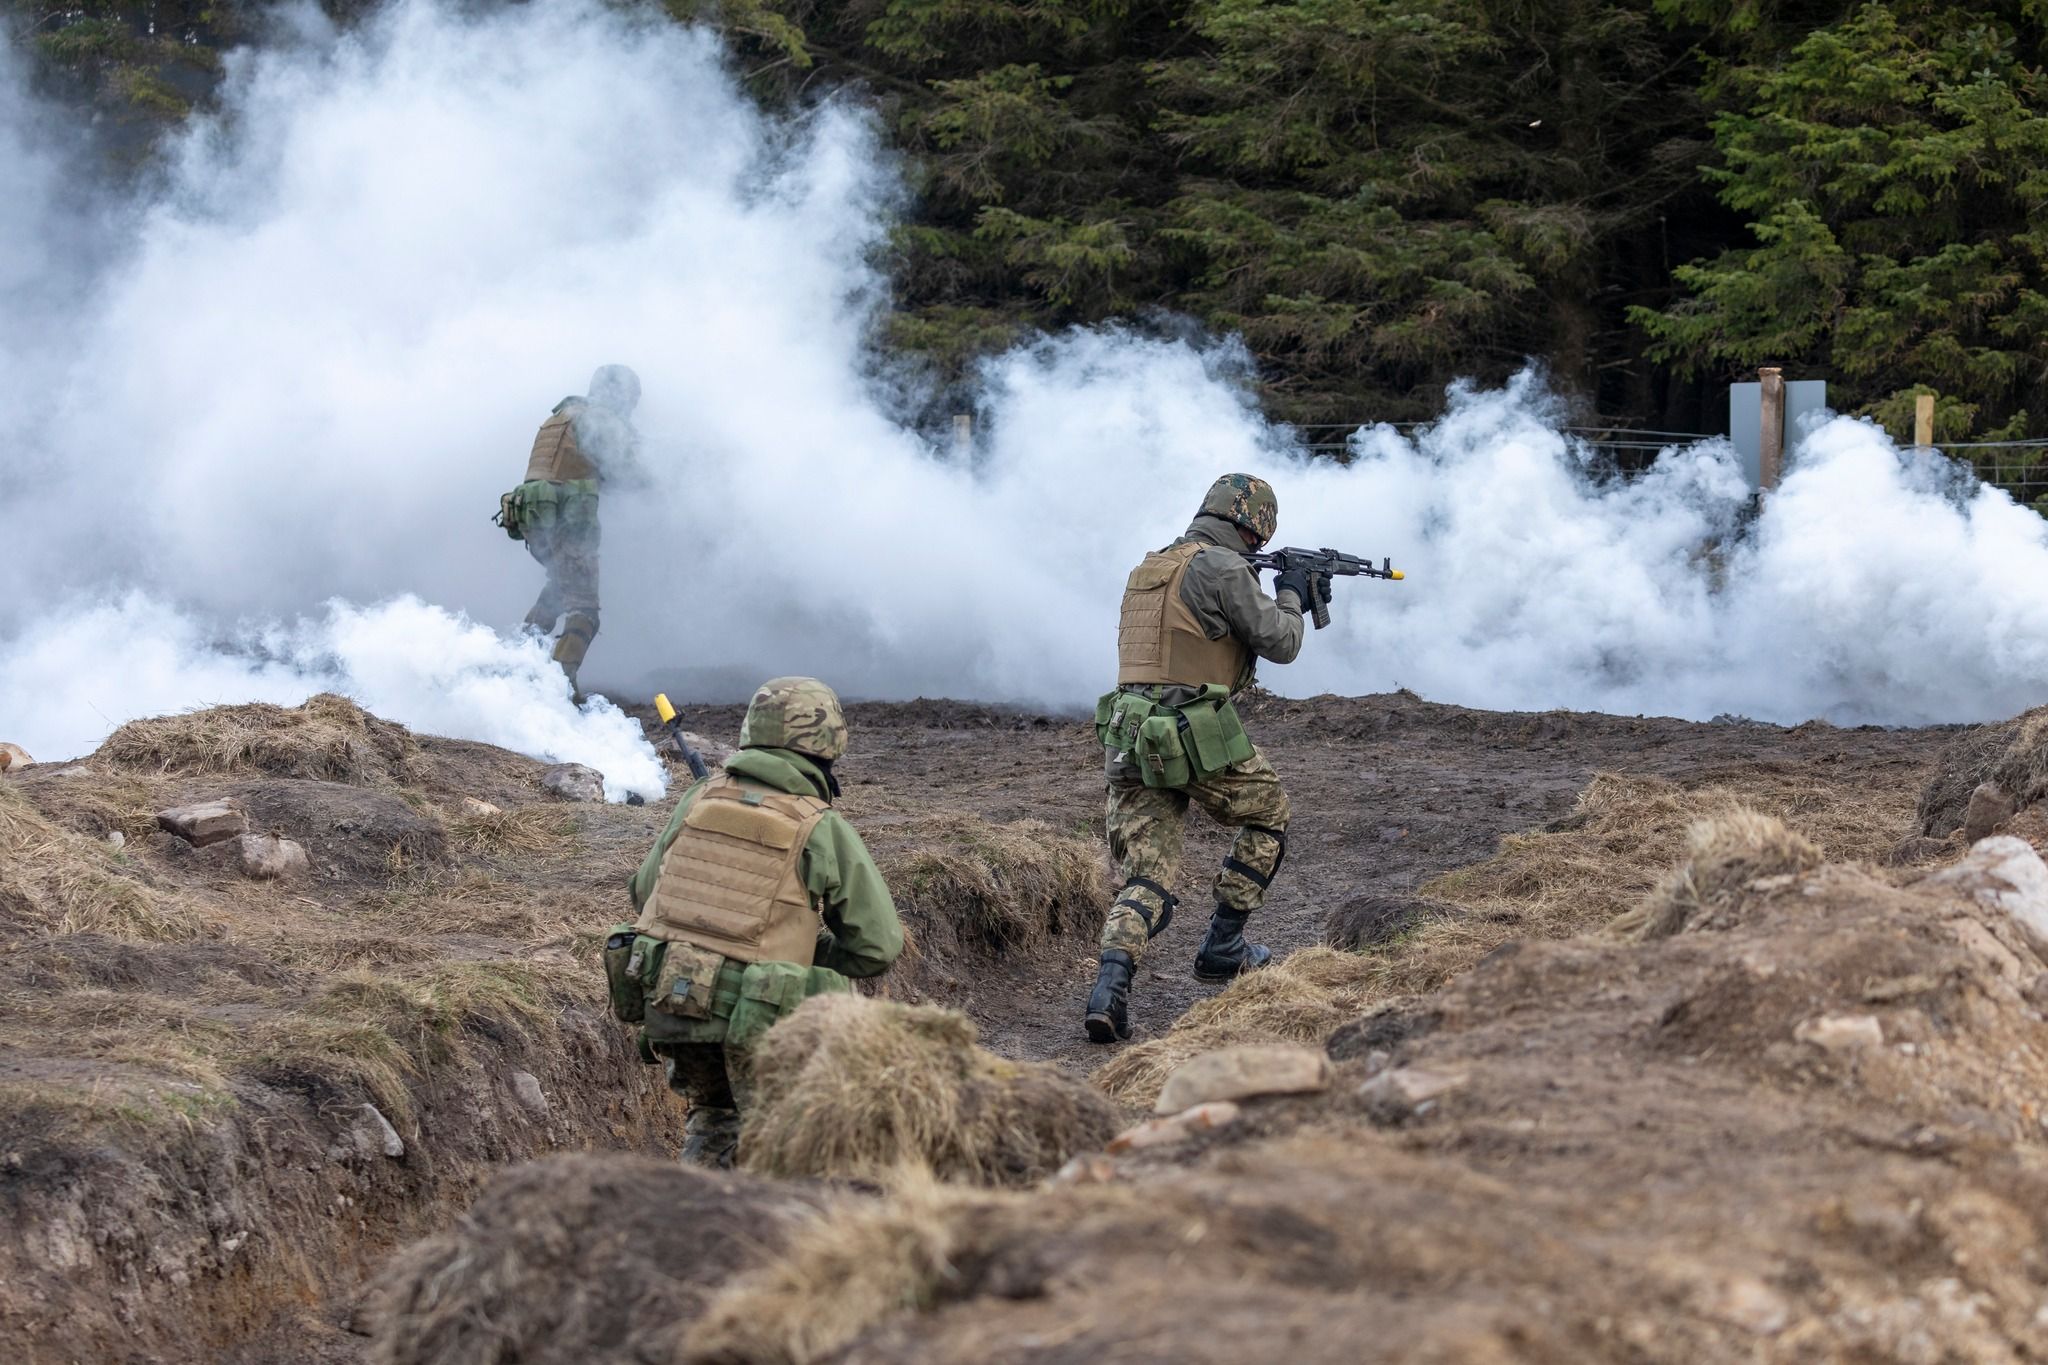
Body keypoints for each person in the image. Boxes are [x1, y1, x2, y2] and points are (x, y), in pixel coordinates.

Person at [612, 676, 904, 1167]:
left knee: (714, 1119)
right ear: (828, 744)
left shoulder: (699, 798)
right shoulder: (819, 824)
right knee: (788, 1141)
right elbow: (877, 945)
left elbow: (644, 892)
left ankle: (690, 1223)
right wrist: (803, 945)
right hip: (761, 1011)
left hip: (675, 999)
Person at [1082, 473, 1326, 1044]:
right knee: (1269, 814)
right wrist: (1291, 592)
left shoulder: (1150, 567)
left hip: (1132, 734)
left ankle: (1108, 991)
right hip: (1195, 732)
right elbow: (1282, 643)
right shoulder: (1224, 568)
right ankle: (1222, 947)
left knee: (1147, 876)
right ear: (1254, 523)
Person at [496, 364, 643, 698]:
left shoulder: (561, 416)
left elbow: (571, 466)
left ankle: (517, 665)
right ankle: (560, 686)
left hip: (533, 517)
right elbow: (628, 468)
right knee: (585, 609)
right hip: (567, 520)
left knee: (559, 590)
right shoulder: (599, 420)